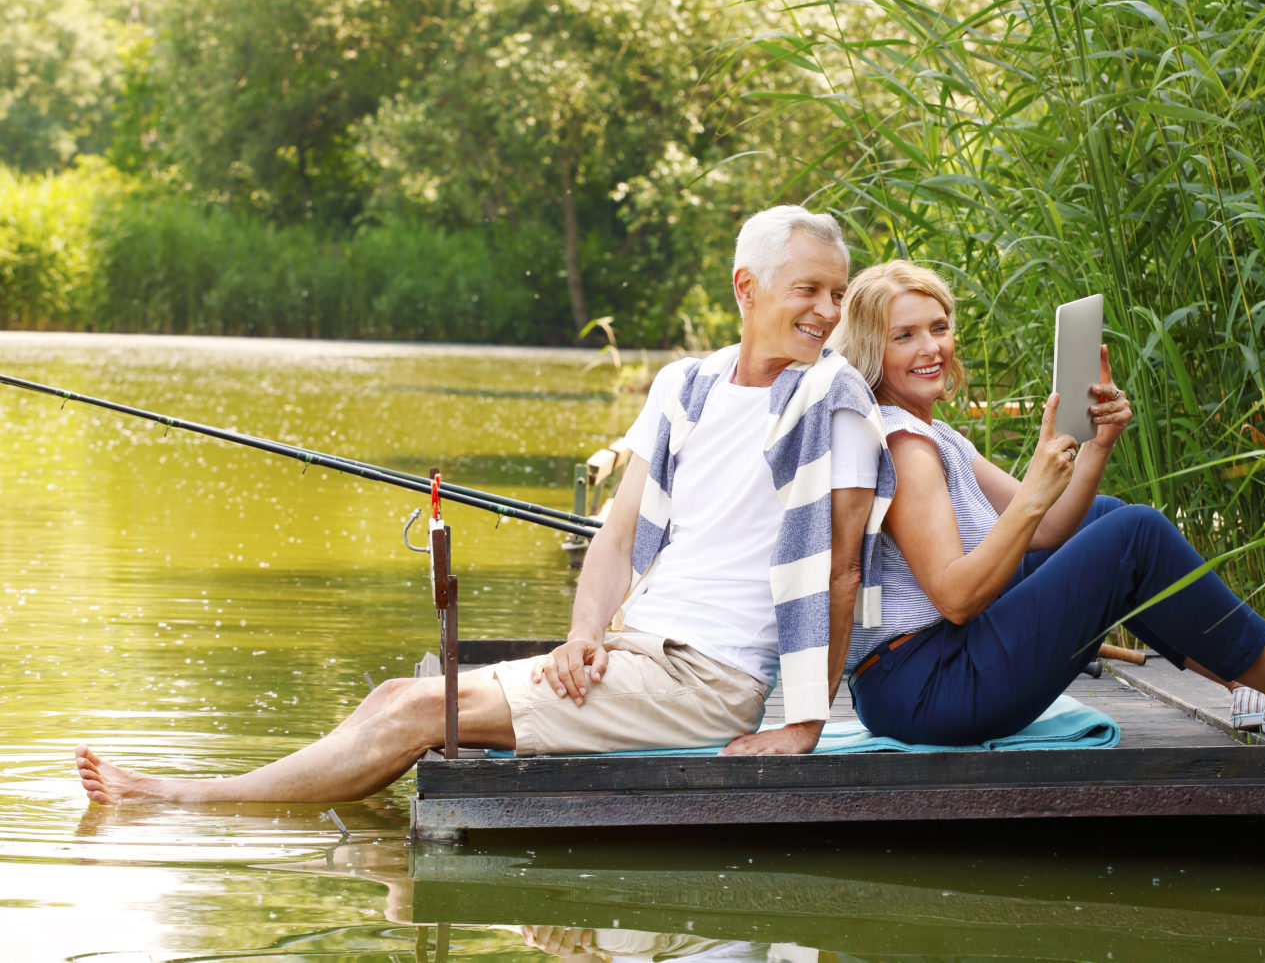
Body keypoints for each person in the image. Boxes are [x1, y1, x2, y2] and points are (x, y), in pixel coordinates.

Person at [75, 206, 894, 806]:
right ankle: (330, 824)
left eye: (836, 291)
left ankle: (184, 799)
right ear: (747, 287)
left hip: (707, 679)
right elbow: (614, 540)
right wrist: (583, 636)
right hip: (635, 649)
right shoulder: (689, 385)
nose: (826, 311)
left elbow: (844, 571)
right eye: (808, 289)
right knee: (395, 697)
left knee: (424, 709)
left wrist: (805, 725)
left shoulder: (833, 401)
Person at [828, 260, 1265, 745]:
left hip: (931, 675)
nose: (930, 347)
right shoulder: (905, 446)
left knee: (1107, 518)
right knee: (1133, 534)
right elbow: (955, 599)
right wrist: (1034, 491)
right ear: (873, 349)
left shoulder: (934, 434)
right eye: (903, 335)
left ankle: (1259, 687)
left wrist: (1096, 447)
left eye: (938, 326)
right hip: (929, 686)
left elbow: (1053, 529)